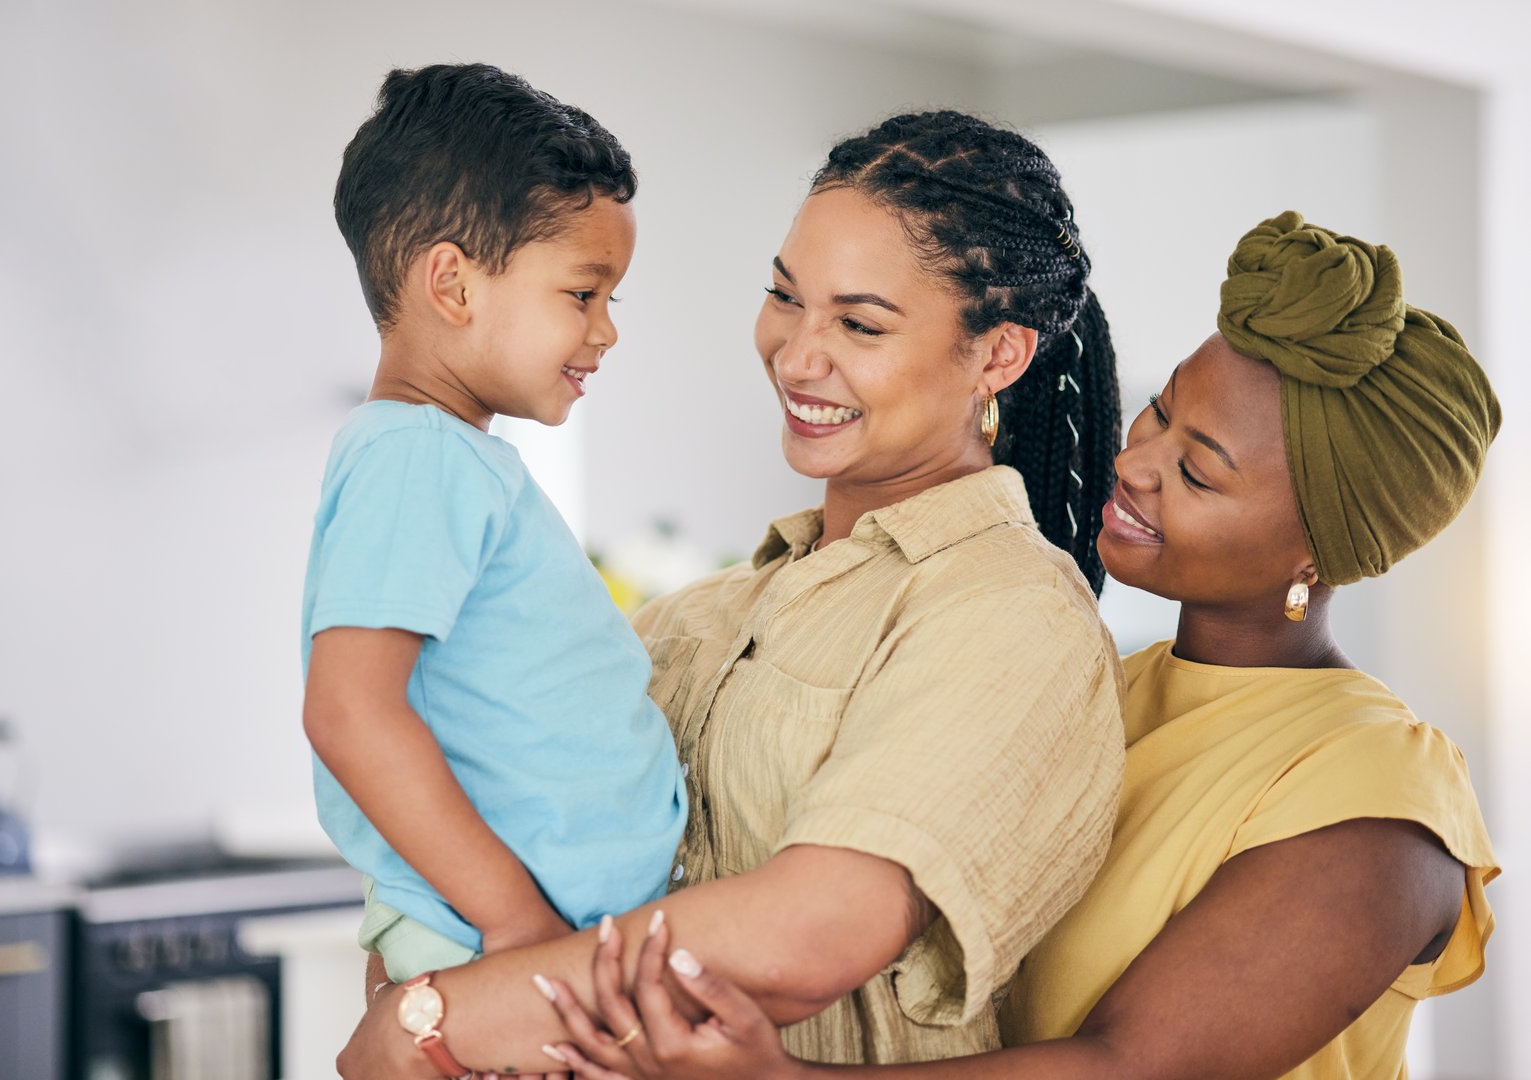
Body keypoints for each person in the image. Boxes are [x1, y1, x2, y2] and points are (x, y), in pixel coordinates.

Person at [537, 211, 1502, 1080]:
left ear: (1315, 551)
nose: (1132, 463)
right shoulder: (1076, 677)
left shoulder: (1377, 798)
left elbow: (1129, 1069)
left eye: (1198, 472)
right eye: (1159, 411)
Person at [334, 110, 1127, 1078]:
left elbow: (808, 936)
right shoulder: (695, 618)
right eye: (783, 297)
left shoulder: (1007, 612)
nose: (796, 354)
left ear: (998, 356)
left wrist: (434, 1019)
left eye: (859, 322)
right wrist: (413, 965)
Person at [301, 62, 687, 1077]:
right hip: (496, 949)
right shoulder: (417, 456)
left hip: (528, 945)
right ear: (453, 283)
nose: (605, 329)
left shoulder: (447, 457)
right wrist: (517, 930)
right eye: (581, 292)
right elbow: (349, 710)